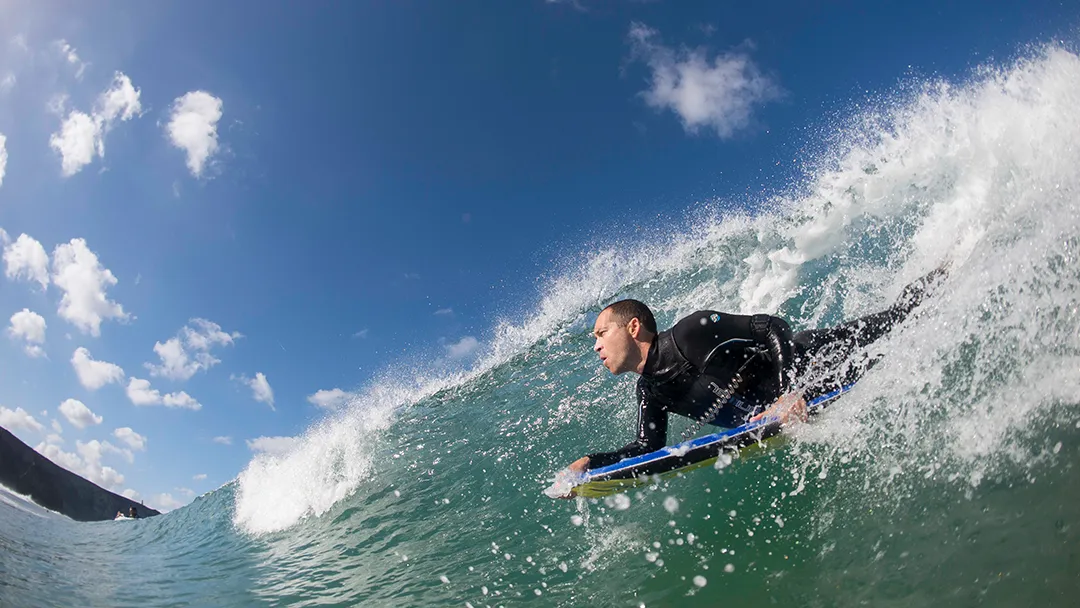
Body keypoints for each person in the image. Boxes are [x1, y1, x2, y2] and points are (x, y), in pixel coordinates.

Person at [563, 266, 947, 479]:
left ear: (632, 328)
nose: (596, 346)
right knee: (896, 349)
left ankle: (947, 270)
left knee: (902, 317)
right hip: (798, 398)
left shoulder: (691, 333)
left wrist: (788, 392)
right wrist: (591, 462)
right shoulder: (651, 391)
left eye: (601, 334)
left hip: (816, 359)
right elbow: (647, 448)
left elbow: (771, 327)